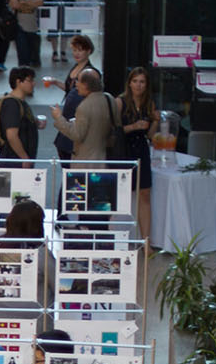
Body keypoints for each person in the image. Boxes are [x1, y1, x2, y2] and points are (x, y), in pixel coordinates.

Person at [118, 66, 159, 238]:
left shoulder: (149, 103)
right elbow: (113, 130)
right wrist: (134, 126)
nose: (138, 85)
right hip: (124, 149)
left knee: (144, 193)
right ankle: (117, 238)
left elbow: (150, 135)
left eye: (142, 82)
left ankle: (146, 241)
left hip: (141, 149)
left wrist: (155, 122)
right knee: (121, 193)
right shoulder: (120, 101)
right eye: (135, 81)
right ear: (129, 83)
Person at [49, 35, 100, 161]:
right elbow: (69, 89)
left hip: (78, 117)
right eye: (74, 50)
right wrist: (55, 82)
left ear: (88, 51)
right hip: (68, 115)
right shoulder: (75, 67)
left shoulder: (90, 72)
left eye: (80, 50)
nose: (76, 53)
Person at [51, 67, 111, 160]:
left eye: (78, 81)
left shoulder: (85, 106)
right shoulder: (108, 99)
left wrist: (59, 117)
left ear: (86, 85)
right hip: (102, 156)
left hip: (86, 160)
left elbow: (77, 135)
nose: (76, 84)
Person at [0, 67, 44, 168]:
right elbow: (11, 135)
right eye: (30, 80)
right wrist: (24, 157)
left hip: (18, 161)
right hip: (14, 162)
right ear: (18, 82)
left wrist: (36, 123)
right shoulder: (12, 104)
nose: (33, 83)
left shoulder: (20, 102)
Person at [9, 0, 44, 67]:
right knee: (23, 58)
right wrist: (32, 3)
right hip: (20, 27)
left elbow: (41, 2)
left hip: (33, 28)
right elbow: (15, 4)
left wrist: (24, 3)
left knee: (35, 60)